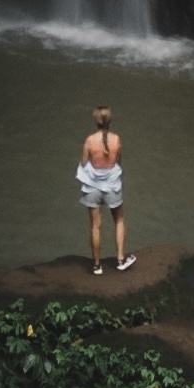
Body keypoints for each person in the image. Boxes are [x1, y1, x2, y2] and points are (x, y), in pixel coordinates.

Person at [78, 107, 133, 274]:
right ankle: (121, 260)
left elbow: (84, 162)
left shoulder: (89, 140)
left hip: (92, 187)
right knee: (119, 220)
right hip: (112, 185)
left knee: (95, 226)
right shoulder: (116, 139)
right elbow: (118, 160)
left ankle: (96, 265)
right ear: (110, 121)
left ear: (96, 121)